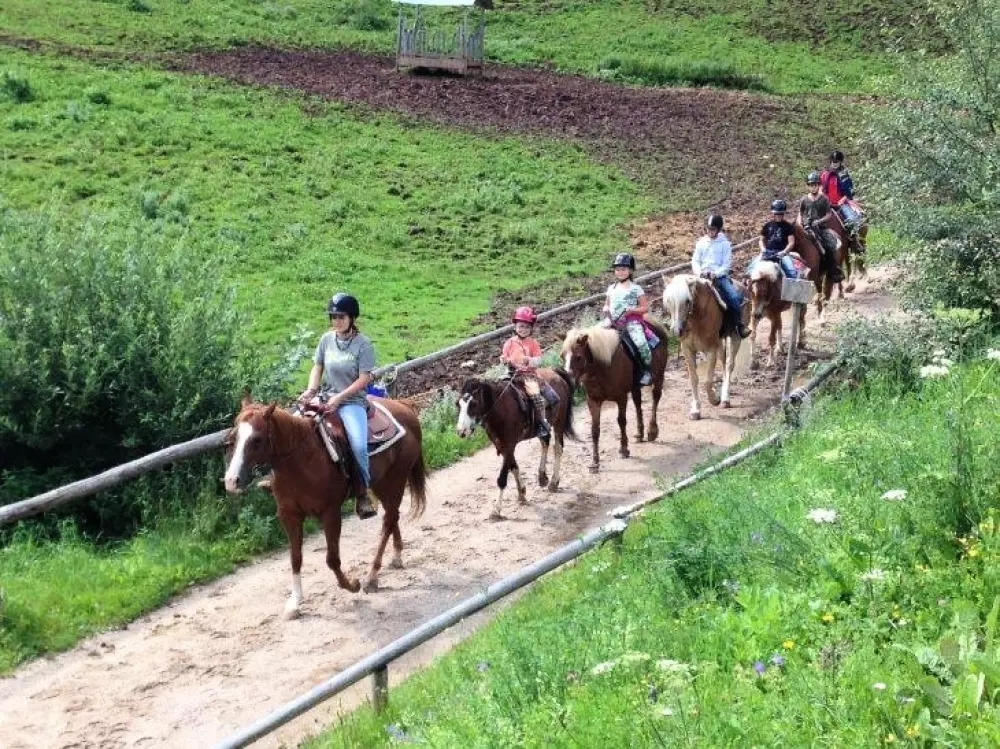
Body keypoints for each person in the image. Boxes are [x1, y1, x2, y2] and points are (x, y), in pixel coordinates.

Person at [299, 292, 378, 520]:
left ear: (352, 318)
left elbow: (364, 379)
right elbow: (317, 367)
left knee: (359, 446)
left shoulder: (363, 345)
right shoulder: (326, 340)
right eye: (333, 316)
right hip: (325, 397)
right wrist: (311, 391)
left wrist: (340, 398)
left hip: (351, 402)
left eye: (341, 316)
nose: (336, 321)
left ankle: (363, 492)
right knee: (293, 425)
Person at [692, 214, 751, 338]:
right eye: (708, 228)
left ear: (718, 229)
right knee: (686, 297)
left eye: (712, 229)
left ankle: (738, 325)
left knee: (734, 297)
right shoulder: (701, 243)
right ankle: (684, 326)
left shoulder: (725, 244)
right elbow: (695, 261)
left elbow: (726, 264)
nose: (710, 231)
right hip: (701, 276)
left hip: (719, 277)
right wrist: (699, 272)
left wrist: (715, 274)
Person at [501, 305, 552, 439]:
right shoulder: (509, 343)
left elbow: (539, 360)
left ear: (531, 328)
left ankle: (542, 423)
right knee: (498, 390)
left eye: (527, 327)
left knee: (536, 395)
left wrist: (529, 360)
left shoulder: (533, 343)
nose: (523, 330)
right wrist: (505, 360)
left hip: (528, 375)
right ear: (515, 326)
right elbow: (505, 357)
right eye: (521, 326)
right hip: (512, 374)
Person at [603, 252, 653, 386]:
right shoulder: (611, 288)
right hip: (613, 321)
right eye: (617, 269)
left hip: (631, 322)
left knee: (641, 343)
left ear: (630, 270)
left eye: (623, 269)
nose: (620, 272)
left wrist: (632, 310)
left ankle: (647, 370)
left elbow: (644, 308)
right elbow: (607, 304)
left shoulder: (636, 288)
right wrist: (606, 310)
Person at [799, 172, 844, 283]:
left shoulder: (824, 199)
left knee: (829, 246)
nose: (813, 187)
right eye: (811, 185)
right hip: (807, 227)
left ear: (819, 185)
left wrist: (819, 221)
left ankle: (833, 270)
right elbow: (801, 213)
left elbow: (829, 214)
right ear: (808, 186)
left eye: (815, 185)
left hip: (821, 228)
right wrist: (801, 223)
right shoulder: (804, 199)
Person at [820, 150, 862, 234]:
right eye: (833, 161)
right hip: (826, 203)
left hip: (841, 203)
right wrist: (824, 198)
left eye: (836, 161)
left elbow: (850, 191)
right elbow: (820, 188)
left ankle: (854, 240)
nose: (834, 163)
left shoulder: (844, 175)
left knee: (853, 220)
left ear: (840, 162)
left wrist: (842, 200)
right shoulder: (824, 174)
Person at [758, 199, 801, 278]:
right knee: (751, 269)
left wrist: (784, 252)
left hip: (781, 253)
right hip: (767, 252)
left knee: (792, 272)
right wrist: (763, 249)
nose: (778, 216)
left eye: (780, 214)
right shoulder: (767, 225)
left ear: (783, 214)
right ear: (773, 214)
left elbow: (791, 242)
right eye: (776, 214)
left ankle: (792, 289)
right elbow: (761, 240)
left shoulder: (788, 226)